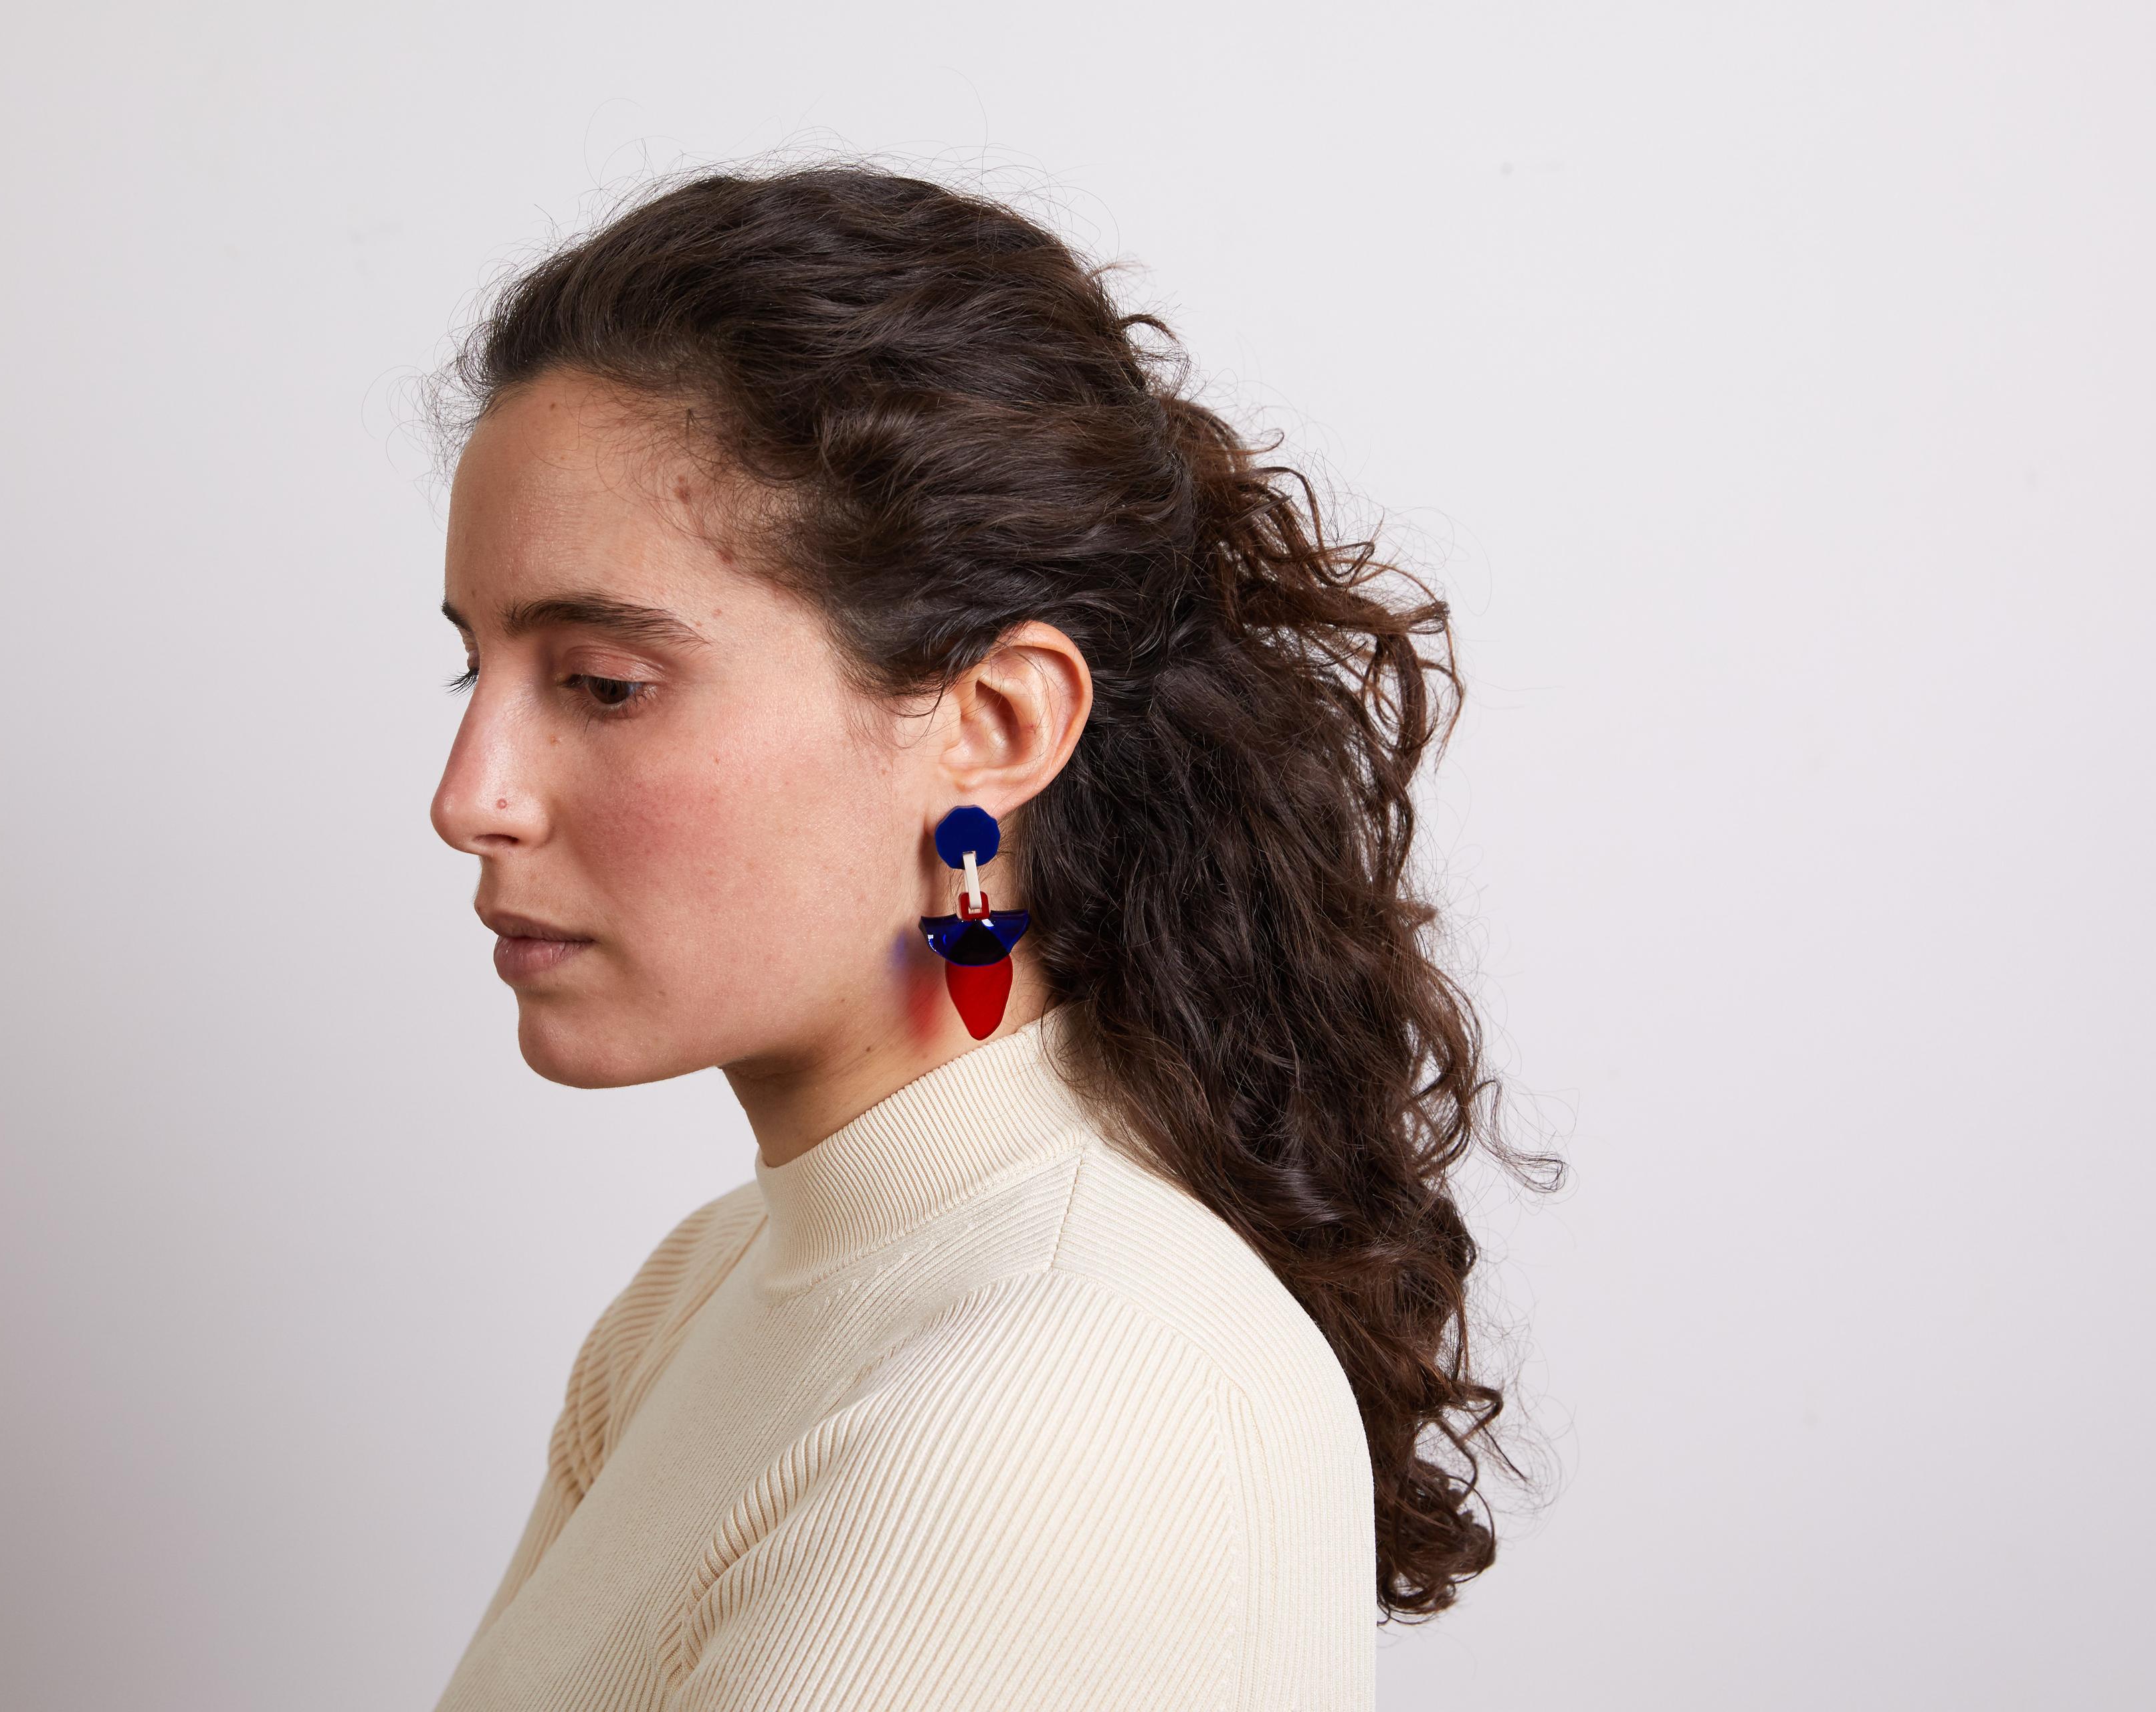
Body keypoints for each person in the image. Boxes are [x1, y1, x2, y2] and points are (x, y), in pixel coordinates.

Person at [424, 162, 1550, 1711]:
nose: (469, 796)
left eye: (604, 684)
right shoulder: (698, 1295)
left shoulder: (1060, 1395)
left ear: (998, 723)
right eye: (473, 669)